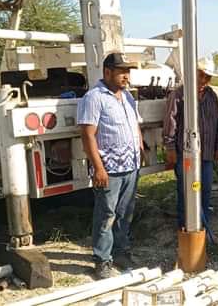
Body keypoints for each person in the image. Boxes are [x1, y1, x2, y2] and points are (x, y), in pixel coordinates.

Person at [77, 52, 144, 278]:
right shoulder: (93, 98)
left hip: (131, 165)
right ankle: (102, 259)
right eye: (122, 71)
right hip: (110, 169)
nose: (126, 76)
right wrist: (99, 168)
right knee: (106, 214)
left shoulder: (127, 97)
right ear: (107, 72)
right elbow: (88, 135)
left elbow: (135, 124)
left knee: (125, 213)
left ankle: (121, 251)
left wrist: (140, 148)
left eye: (128, 71)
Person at [163, 57, 218, 231]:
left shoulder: (212, 96)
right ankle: (185, 227)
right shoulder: (179, 94)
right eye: (201, 75)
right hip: (186, 154)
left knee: (205, 191)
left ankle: (202, 227)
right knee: (186, 191)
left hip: (206, 154)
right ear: (193, 74)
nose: (204, 80)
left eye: (208, 77)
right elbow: (170, 122)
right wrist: (170, 148)